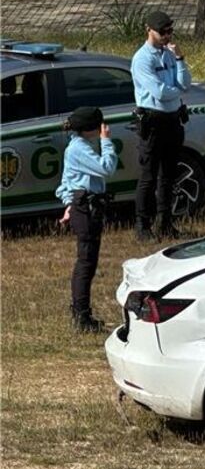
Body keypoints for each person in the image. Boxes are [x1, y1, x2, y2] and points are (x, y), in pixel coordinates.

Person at [55, 107, 118, 333]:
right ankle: (81, 316)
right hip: (86, 208)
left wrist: (69, 205)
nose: (103, 128)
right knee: (86, 262)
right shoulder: (79, 148)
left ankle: (82, 313)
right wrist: (107, 142)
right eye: (100, 125)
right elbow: (107, 168)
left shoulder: (77, 146)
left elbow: (67, 180)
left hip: (82, 206)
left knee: (88, 261)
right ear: (91, 129)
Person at [131, 10, 191, 242]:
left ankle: (165, 222)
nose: (167, 35)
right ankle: (142, 226)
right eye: (163, 32)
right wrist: (178, 91)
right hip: (153, 121)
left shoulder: (169, 54)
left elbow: (185, 82)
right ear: (149, 30)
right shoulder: (142, 59)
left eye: (170, 31)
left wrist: (180, 59)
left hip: (173, 120)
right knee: (148, 177)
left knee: (168, 176)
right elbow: (160, 92)